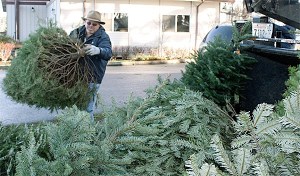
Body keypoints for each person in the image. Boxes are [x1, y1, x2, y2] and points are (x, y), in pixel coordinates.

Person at [69, 10, 112, 122]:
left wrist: (98, 50)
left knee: (87, 109)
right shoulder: (77, 32)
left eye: (94, 24)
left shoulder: (103, 37)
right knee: (76, 107)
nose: (91, 26)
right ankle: (77, 132)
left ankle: (89, 135)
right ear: (85, 22)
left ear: (99, 25)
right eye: (89, 23)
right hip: (77, 76)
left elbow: (108, 52)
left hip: (93, 77)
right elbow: (67, 46)